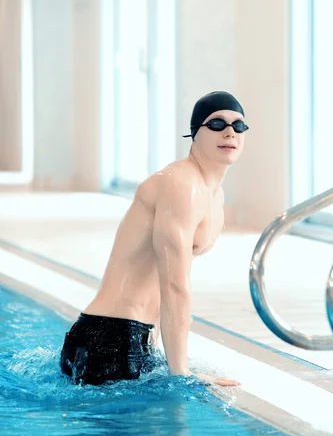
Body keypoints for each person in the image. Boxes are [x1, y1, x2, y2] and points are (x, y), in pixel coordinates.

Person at [60, 91, 248, 387]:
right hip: (107, 338)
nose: (229, 132)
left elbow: (160, 291)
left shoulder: (214, 195)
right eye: (216, 124)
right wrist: (181, 374)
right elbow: (173, 284)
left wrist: (158, 352)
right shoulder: (180, 184)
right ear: (194, 134)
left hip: (138, 337)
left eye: (238, 126)